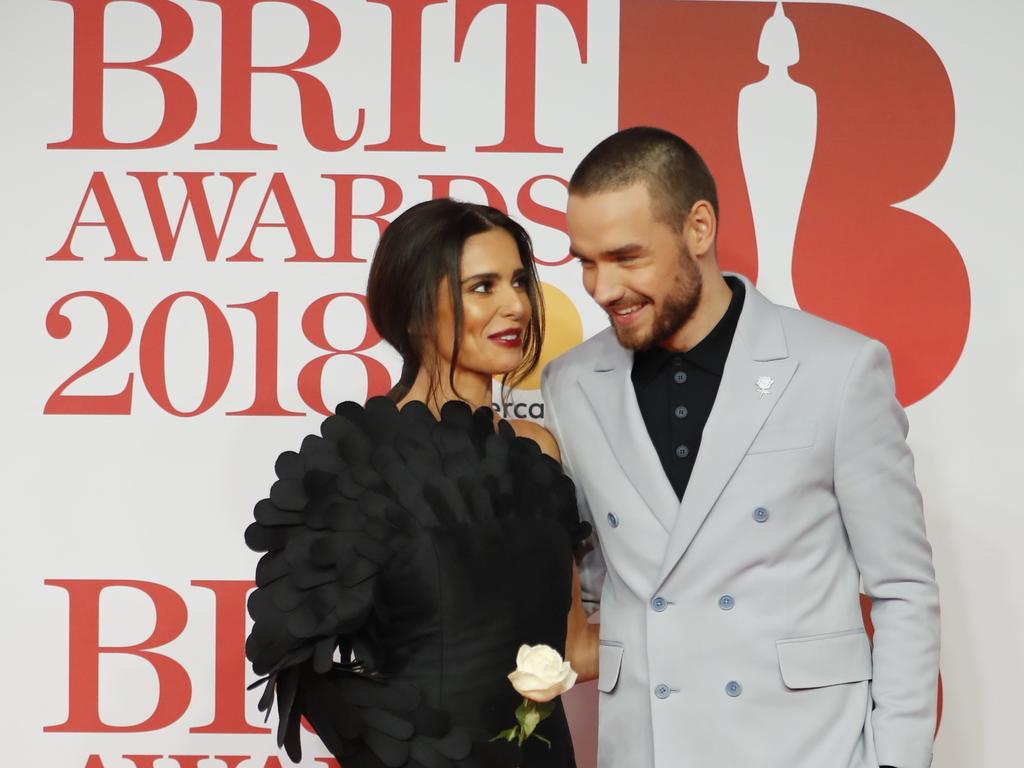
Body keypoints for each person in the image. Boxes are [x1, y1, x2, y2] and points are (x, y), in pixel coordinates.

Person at [541, 127, 940, 768]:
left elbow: (903, 588)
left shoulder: (836, 369)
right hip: (647, 746)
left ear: (698, 228)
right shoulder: (569, 384)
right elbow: (590, 575)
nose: (602, 288)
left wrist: (893, 760)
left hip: (805, 747)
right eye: (585, 261)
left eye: (626, 257)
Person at [244, 198, 597, 768]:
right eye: (482, 287)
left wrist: (719, 626)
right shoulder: (361, 462)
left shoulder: (538, 449)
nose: (516, 305)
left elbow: (574, 645)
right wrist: (412, 749)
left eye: (518, 282)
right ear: (414, 308)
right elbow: (293, 657)